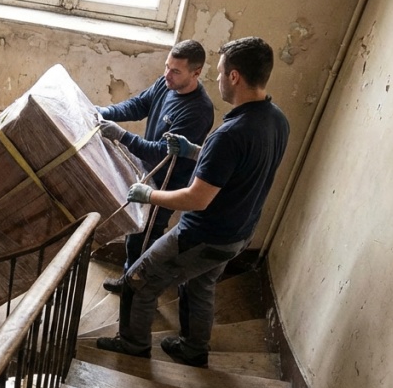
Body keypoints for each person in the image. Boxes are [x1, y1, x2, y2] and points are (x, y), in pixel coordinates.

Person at [97, 37, 289, 367]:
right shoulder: (276, 119)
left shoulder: (228, 134)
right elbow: (234, 168)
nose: (216, 79)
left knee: (138, 281)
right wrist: (194, 151)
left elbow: (196, 199)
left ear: (234, 77)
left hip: (204, 234)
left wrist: (149, 196)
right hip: (239, 233)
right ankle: (195, 348)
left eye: (219, 72)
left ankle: (133, 344)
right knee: (199, 287)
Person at [97, 39, 214, 292]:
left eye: (175, 71)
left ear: (196, 72)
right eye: (166, 67)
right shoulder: (166, 84)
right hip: (146, 173)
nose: (167, 75)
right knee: (133, 236)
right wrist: (104, 112)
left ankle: (137, 293)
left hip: (164, 185)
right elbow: (139, 105)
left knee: (145, 241)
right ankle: (130, 281)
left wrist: (122, 136)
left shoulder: (198, 111)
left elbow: (161, 153)